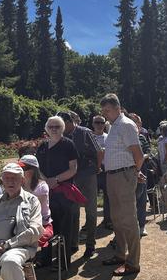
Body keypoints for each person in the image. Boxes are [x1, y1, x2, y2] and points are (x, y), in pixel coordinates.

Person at [100, 94, 144, 276]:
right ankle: (120, 254)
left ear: (118, 108)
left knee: (128, 219)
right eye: (103, 111)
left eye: (107, 110)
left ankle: (133, 263)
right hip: (113, 176)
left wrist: (133, 172)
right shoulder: (113, 126)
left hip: (123, 175)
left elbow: (138, 154)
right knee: (116, 218)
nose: (104, 114)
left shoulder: (125, 125)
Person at [35, 116, 80, 264]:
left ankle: (63, 261)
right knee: (46, 223)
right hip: (46, 192)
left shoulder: (69, 144)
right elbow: (37, 168)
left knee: (64, 227)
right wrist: (45, 181)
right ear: (46, 128)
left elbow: (73, 169)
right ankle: (45, 258)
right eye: (51, 127)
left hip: (63, 192)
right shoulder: (42, 146)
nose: (54, 129)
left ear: (62, 128)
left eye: (57, 127)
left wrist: (55, 180)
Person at [58, 111, 102, 259]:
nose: (61, 128)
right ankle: (73, 243)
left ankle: (90, 245)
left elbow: (99, 151)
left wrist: (97, 168)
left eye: (63, 125)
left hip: (87, 174)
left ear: (70, 122)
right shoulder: (61, 135)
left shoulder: (85, 132)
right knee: (73, 211)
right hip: (71, 178)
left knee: (90, 211)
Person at [18, 154, 52, 280]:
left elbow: (34, 213)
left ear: (32, 170)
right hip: (21, 226)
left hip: (42, 225)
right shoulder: (18, 185)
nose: (20, 170)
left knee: (26, 246)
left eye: (23, 168)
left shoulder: (41, 187)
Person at [129, 113, 150, 237]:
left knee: (141, 199)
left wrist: (141, 157)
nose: (135, 123)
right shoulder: (125, 137)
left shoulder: (142, 137)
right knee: (130, 200)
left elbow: (148, 152)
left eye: (136, 121)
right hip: (128, 170)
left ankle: (141, 226)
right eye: (132, 120)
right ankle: (131, 226)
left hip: (142, 168)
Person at [92, 115, 112, 230]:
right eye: (97, 122)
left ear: (105, 124)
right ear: (93, 124)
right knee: (91, 198)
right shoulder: (89, 137)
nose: (99, 125)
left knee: (108, 196)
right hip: (93, 170)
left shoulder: (108, 137)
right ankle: (90, 222)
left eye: (101, 122)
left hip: (106, 169)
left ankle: (108, 220)